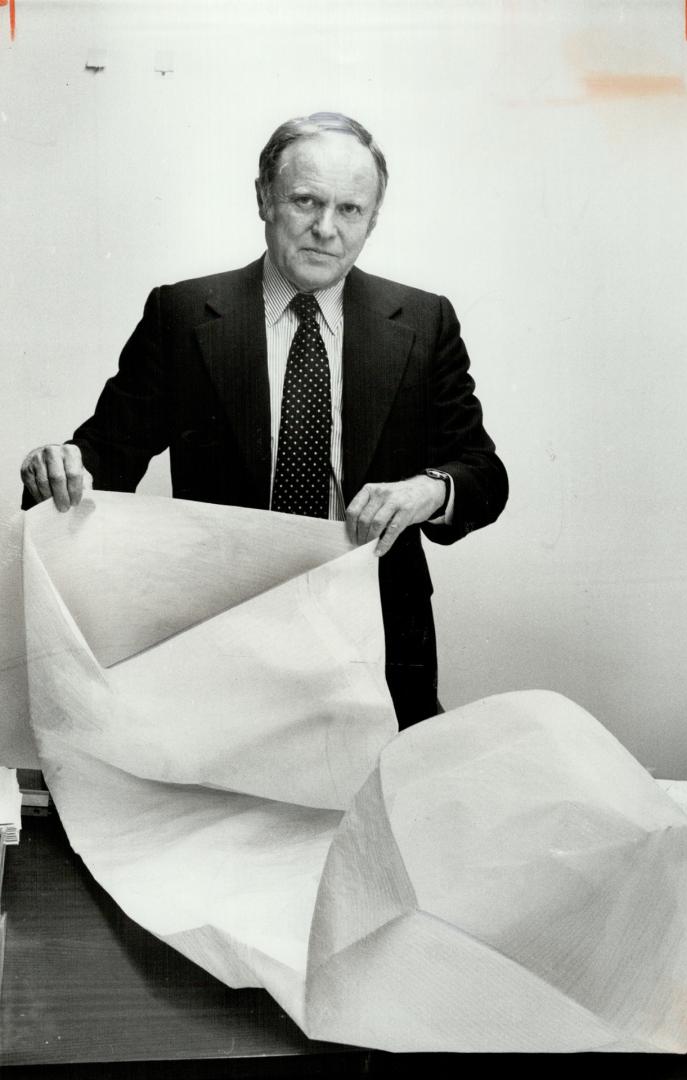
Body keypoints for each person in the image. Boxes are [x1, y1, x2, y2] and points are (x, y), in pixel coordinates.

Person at [20, 111, 509, 728]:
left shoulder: (423, 321)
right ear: (264, 198)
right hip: (219, 638)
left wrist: (428, 489)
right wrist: (57, 469)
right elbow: (103, 459)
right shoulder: (183, 315)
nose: (326, 229)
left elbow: (484, 474)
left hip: (376, 640)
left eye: (350, 210)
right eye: (306, 201)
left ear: (373, 219)